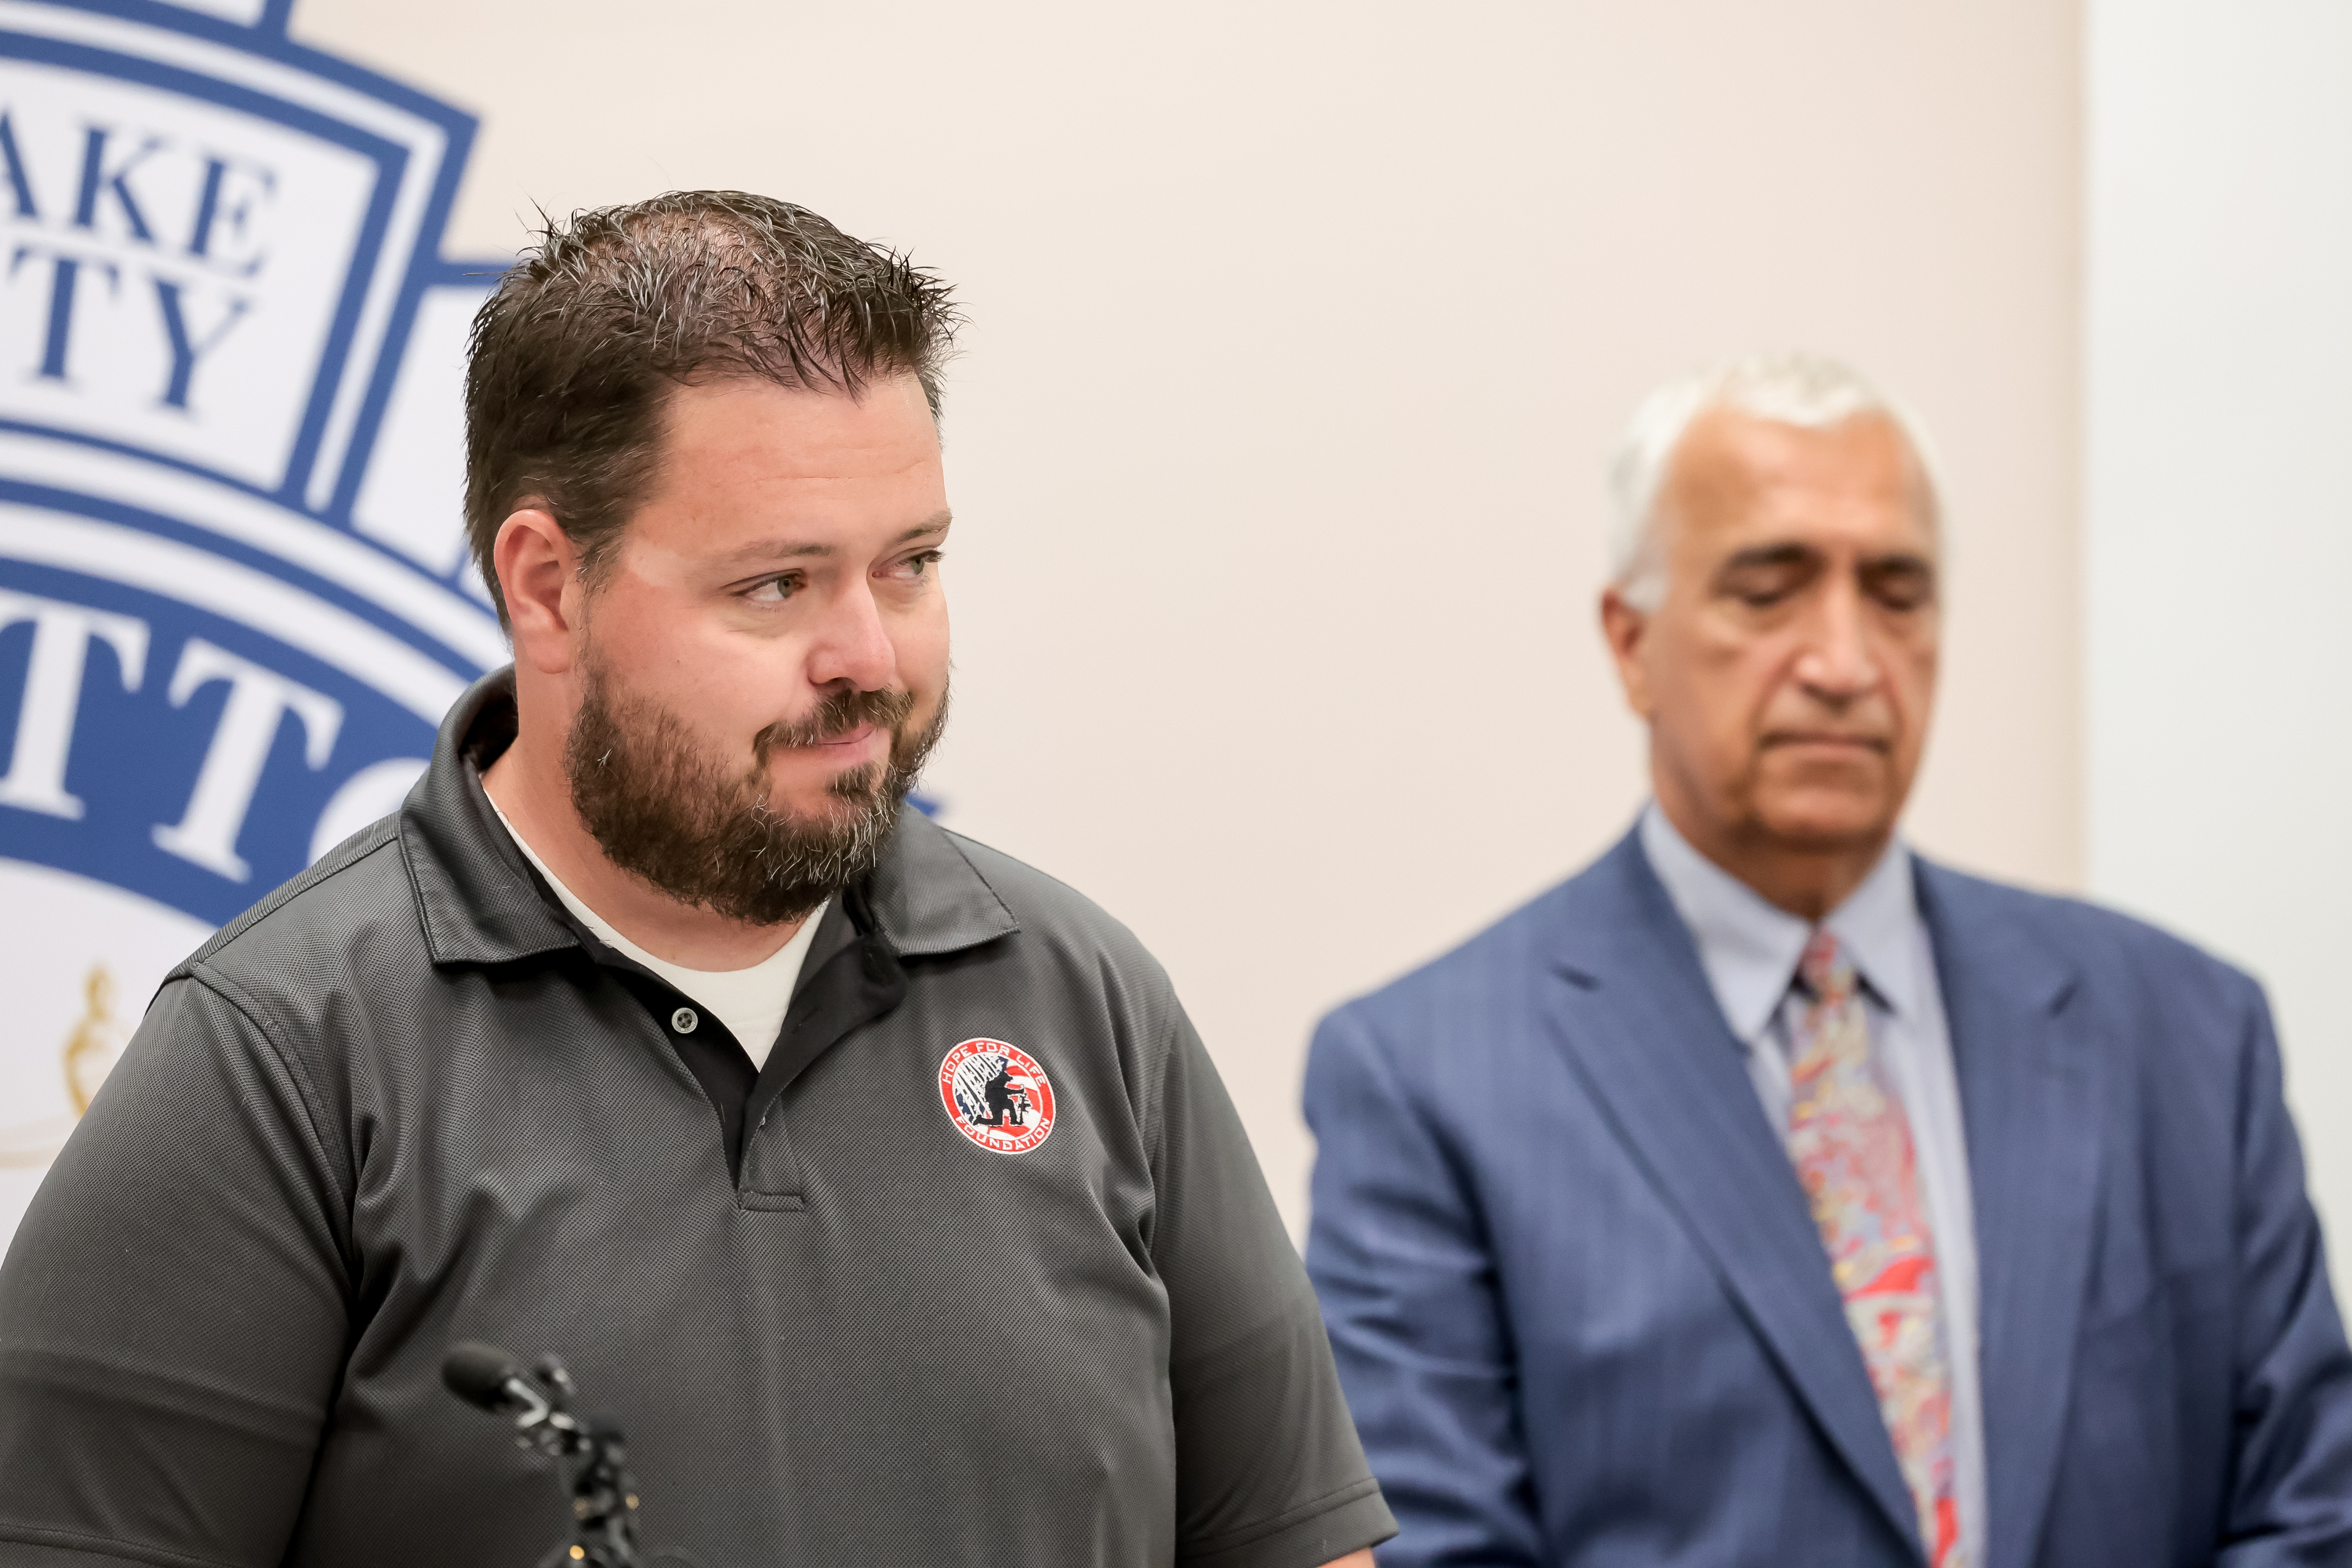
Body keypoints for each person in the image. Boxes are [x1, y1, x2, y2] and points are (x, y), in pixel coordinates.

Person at [0, 192, 1392, 1568]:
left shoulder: (1089, 1001)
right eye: (778, 584)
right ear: (547, 586)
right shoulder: (283, 1059)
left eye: (909, 565)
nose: (870, 657)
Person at [1302, 351, 2352, 1567]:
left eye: (1897, 594)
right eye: (1768, 591)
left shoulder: (2184, 1031)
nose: (1846, 662)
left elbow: (2311, 1515)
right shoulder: (1430, 1079)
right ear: (1631, 642)